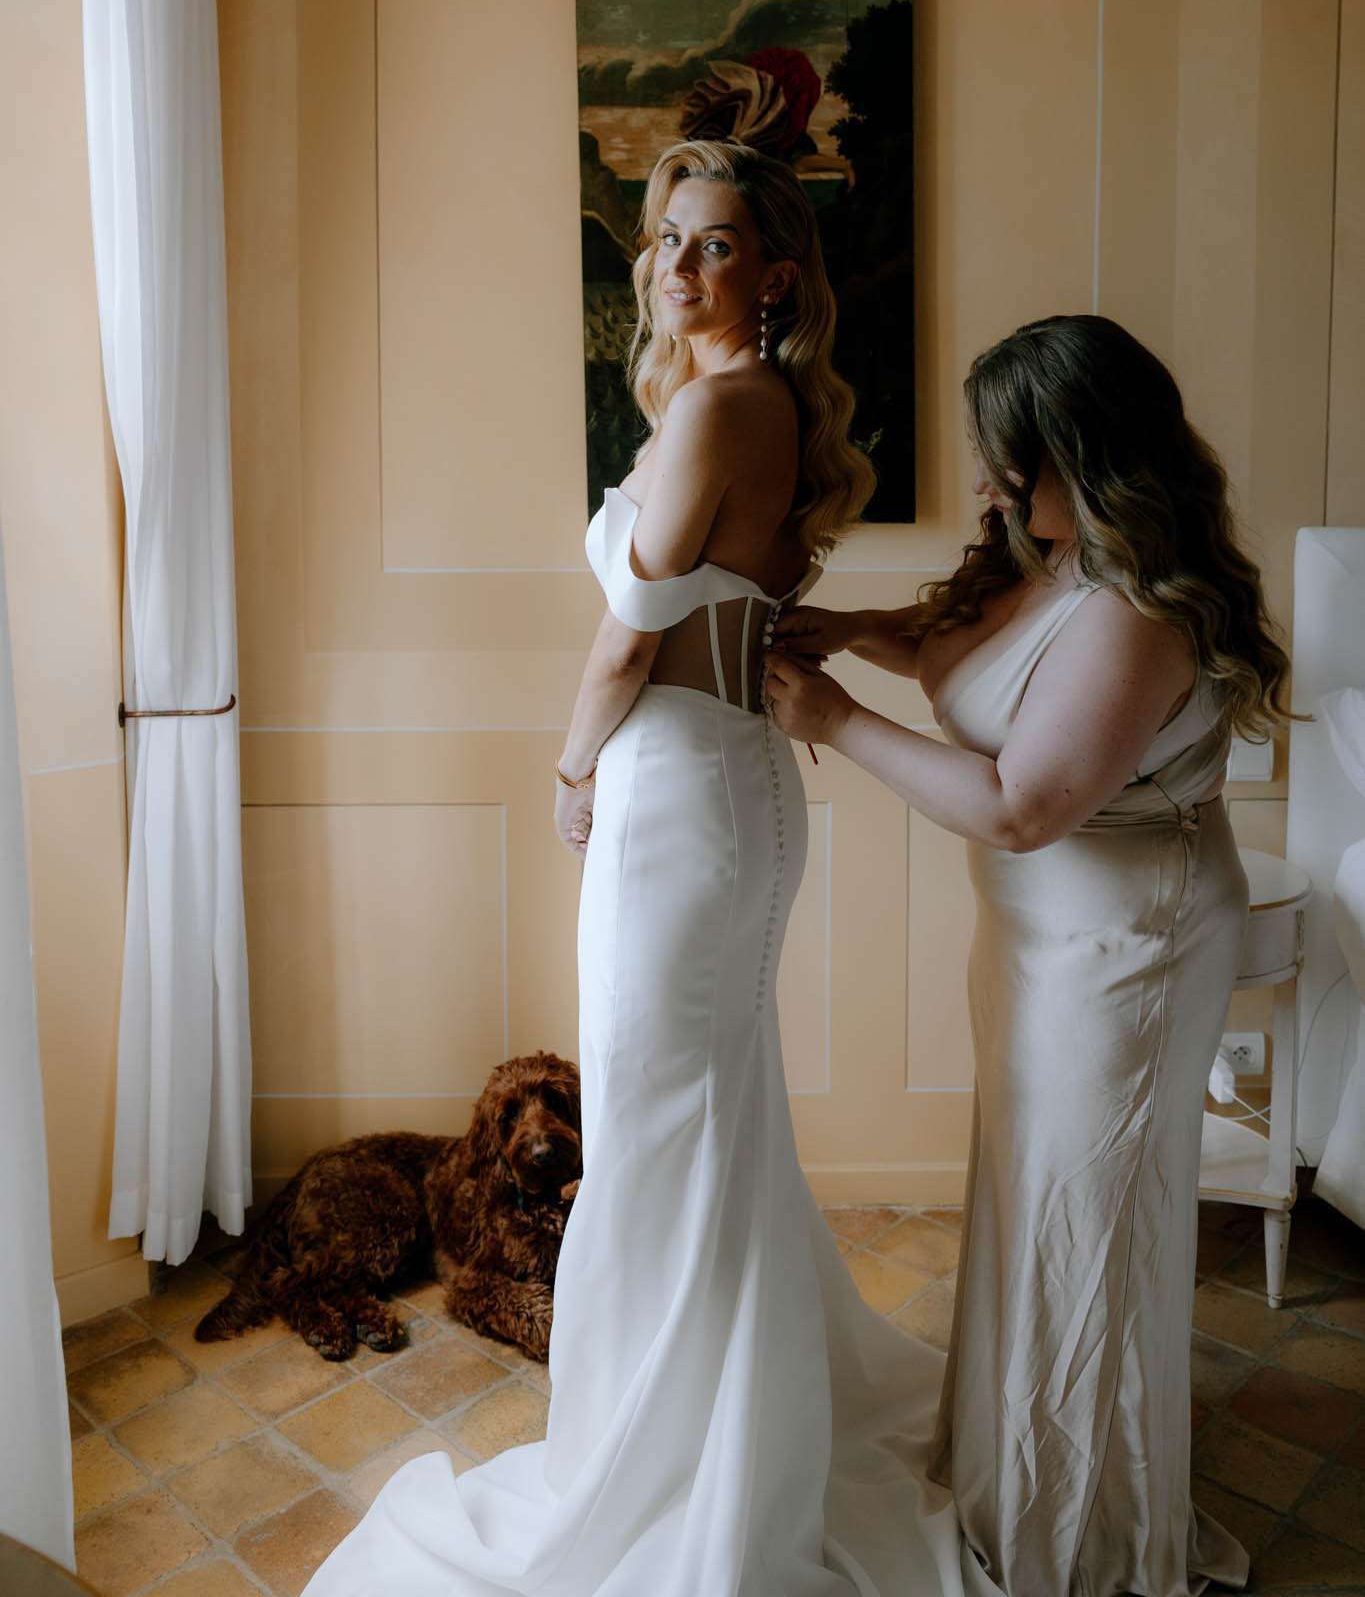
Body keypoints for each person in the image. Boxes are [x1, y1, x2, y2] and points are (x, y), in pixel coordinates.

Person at [301, 138, 966, 1596]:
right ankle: (728, 1430)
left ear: (772, 274)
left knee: (662, 1141)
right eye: (667, 237)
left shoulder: (726, 405)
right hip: (725, 788)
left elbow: (626, 640)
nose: (677, 263)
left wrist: (566, 768)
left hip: (676, 795)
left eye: (714, 243)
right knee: (705, 1129)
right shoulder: (755, 404)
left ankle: (662, 1471)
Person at [765, 313, 1291, 1597]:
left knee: (1087, 1224)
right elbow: (976, 658)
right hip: (1039, 941)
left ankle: (1082, 1539)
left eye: (1016, 462)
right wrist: (856, 633)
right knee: (1033, 1205)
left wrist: (835, 715)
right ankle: (1017, 1469)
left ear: (1093, 455)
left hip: (1126, 951)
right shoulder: (1047, 554)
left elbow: (1022, 801)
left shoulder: (1143, 606)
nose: (995, 486)